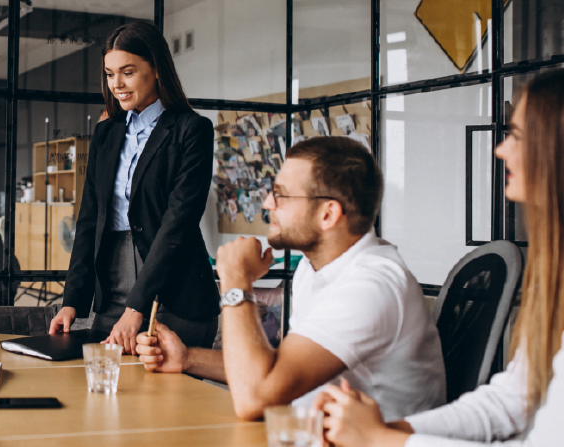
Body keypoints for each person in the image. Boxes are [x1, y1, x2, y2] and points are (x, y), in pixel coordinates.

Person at [313, 70, 564, 447]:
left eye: (517, 136)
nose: (500, 149)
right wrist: (389, 430)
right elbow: (508, 403)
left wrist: (380, 439)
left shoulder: (375, 278)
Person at [135, 136, 446, 421]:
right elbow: (277, 371)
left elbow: (254, 399)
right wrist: (187, 358)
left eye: (281, 195)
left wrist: (236, 281)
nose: (268, 205)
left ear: (328, 214)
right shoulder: (315, 268)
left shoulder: (370, 286)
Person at [48, 21, 220, 353]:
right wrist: (72, 300)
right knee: (104, 393)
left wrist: (136, 306)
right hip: (112, 288)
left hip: (175, 293)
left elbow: (177, 224)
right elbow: (89, 220)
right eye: (110, 74)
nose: (117, 84)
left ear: (156, 69)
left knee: (166, 402)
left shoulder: (192, 130)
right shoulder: (106, 133)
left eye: (127, 72)